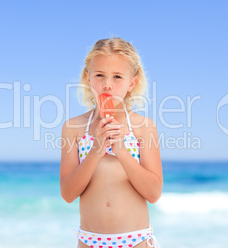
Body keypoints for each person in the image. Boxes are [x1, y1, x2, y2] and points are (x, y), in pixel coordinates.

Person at [60, 37, 163, 248]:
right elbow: (68, 194)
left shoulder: (143, 127)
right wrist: (96, 151)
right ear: (88, 78)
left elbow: (153, 193)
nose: (107, 84)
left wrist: (122, 152)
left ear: (131, 83)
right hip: (89, 242)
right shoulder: (74, 128)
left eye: (117, 77)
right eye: (99, 75)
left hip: (136, 241)